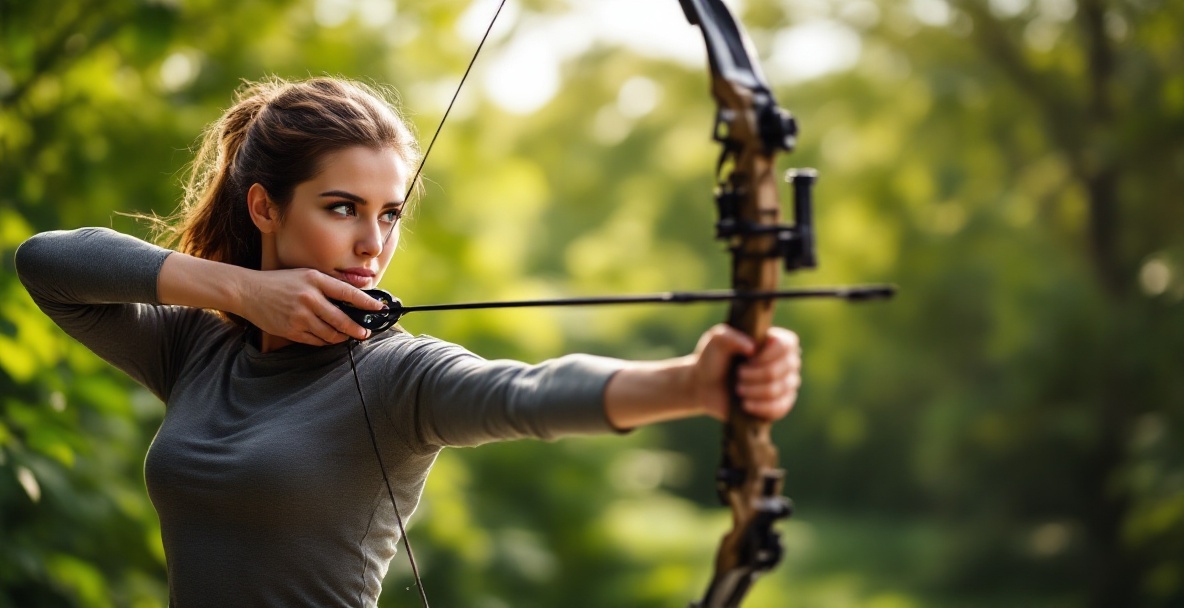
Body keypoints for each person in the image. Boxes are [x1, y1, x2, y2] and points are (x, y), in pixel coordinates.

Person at [15, 77, 802, 607]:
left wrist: (696, 385)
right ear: (264, 207)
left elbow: (525, 392)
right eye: (341, 207)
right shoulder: (197, 345)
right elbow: (46, 263)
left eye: (388, 213)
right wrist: (240, 289)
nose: (372, 242)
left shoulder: (396, 376)